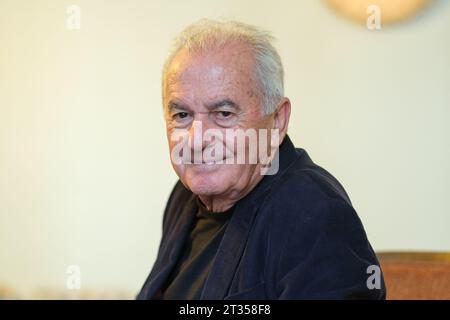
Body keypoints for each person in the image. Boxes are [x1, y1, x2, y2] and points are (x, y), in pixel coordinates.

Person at [137, 19, 385, 300]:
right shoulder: (185, 195)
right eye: (182, 115)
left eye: (224, 114)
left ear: (277, 121)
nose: (196, 140)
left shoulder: (313, 211)